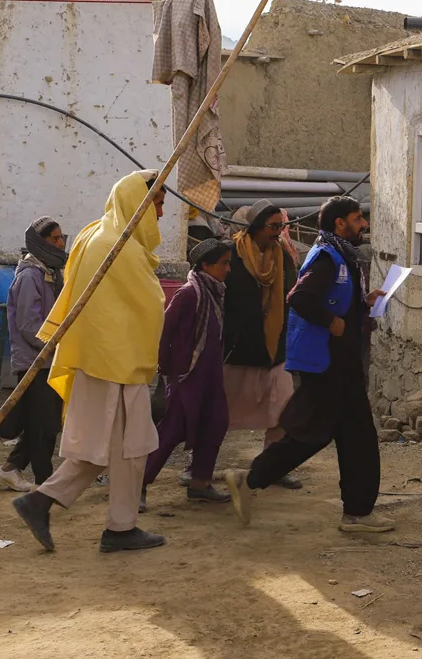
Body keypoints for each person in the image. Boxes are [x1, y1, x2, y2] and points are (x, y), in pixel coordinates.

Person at [12, 171, 168, 554]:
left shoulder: (98, 234)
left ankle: (59, 507)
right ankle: (114, 527)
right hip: (112, 361)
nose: (162, 213)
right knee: (129, 445)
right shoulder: (118, 245)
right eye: (159, 203)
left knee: (117, 447)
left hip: (106, 358)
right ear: (139, 202)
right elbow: (149, 304)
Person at [224, 196, 392, 533]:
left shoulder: (342, 255)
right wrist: (331, 322)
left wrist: (364, 303)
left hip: (340, 363)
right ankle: (253, 478)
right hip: (327, 362)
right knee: (317, 433)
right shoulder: (326, 257)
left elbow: (336, 300)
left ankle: (356, 512)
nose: (364, 225)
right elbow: (299, 298)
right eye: (358, 218)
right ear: (339, 223)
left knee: (343, 434)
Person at [215, 200, 303, 489]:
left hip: (274, 348)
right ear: (255, 227)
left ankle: (272, 468)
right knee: (217, 414)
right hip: (237, 349)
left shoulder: (282, 257)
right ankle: (199, 469)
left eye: (282, 226)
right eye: (273, 227)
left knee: (283, 411)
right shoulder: (231, 256)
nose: (279, 233)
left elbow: (291, 295)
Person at [140, 239, 232, 509]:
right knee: (172, 431)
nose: (228, 269)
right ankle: (138, 486)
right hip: (188, 376)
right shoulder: (190, 293)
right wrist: (168, 368)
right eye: (224, 263)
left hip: (211, 376)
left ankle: (200, 484)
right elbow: (164, 331)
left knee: (215, 423)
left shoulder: (215, 292)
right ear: (206, 265)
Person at [0, 216, 67, 491]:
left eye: (61, 238)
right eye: (54, 239)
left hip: (48, 359)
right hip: (36, 362)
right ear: (40, 242)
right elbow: (28, 325)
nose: (60, 244)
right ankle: (45, 481)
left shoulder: (49, 272)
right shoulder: (30, 276)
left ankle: (10, 469)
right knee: (44, 425)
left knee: (39, 421)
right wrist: (55, 344)